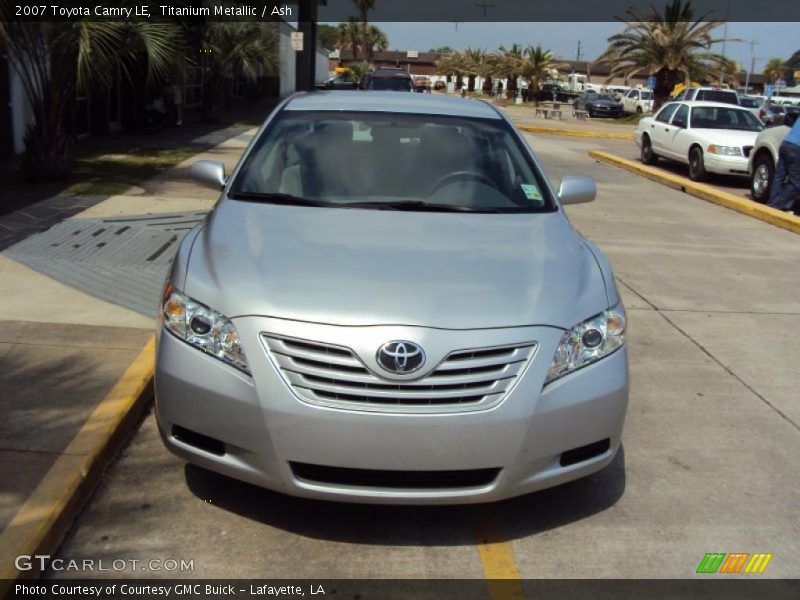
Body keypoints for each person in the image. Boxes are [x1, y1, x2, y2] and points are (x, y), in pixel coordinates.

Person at [768, 112, 800, 213]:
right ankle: (780, 205)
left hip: (786, 143)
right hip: (797, 148)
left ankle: (772, 203)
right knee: (796, 182)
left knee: (779, 176)